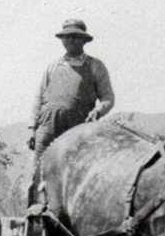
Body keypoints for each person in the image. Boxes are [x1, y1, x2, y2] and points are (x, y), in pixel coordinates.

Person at [28, 18, 115, 191]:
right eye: (66, 37)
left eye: (75, 37)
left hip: (77, 126)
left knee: (75, 173)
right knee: (39, 172)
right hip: (47, 125)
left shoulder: (95, 66)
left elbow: (108, 98)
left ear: (84, 40)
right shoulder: (53, 66)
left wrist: (98, 112)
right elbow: (39, 98)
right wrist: (32, 128)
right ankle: (35, 214)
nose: (70, 40)